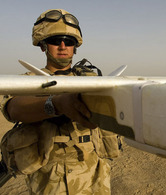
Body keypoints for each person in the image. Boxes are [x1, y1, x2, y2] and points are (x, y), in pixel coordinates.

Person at [0, 9, 117, 194]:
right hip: (51, 181)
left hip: (95, 176)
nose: (63, 46)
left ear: (75, 47)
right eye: (55, 41)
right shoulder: (28, 80)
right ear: (42, 46)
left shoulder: (90, 79)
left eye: (69, 42)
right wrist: (55, 104)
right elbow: (13, 108)